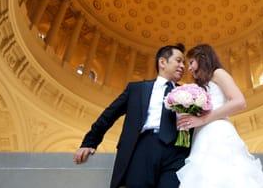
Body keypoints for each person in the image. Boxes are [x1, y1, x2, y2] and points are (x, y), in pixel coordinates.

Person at [73, 44, 189, 188]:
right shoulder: (136, 89)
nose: (183, 66)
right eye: (178, 60)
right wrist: (89, 142)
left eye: (184, 62)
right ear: (162, 62)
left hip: (175, 153)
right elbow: (110, 114)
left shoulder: (189, 93)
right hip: (142, 147)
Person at [175, 44, 263, 188]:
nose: (189, 68)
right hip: (200, 136)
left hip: (218, 132)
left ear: (202, 58)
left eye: (191, 62)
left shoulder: (218, 73)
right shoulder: (200, 86)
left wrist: (202, 119)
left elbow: (239, 102)